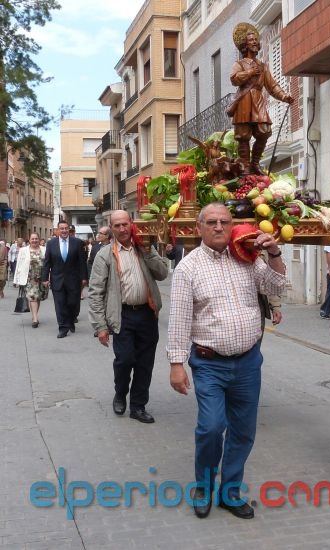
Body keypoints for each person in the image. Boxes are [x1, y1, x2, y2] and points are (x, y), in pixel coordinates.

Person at [168, 203, 286, 520]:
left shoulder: (247, 257)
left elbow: (276, 286)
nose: (219, 227)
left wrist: (273, 252)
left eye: (224, 221)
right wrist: (176, 364)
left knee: (244, 431)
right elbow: (179, 319)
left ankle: (230, 492)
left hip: (248, 363)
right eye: (211, 222)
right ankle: (204, 487)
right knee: (211, 428)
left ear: (232, 225)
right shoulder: (188, 268)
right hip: (209, 364)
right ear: (199, 228)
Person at [88, 210, 169, 423]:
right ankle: (120, 392)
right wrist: (100, 326)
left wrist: (148, 251)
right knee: (124, 360)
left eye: (125, 224)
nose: (122, 229)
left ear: (131, 224)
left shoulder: (145, 248)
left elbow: (162, 274)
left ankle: (138, 406)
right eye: (117, 226)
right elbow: (95, 292)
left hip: (147, 314)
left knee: (145, 363)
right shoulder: (105, 254)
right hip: (122, 315)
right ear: (111, 229)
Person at [229, 23, 293, 174]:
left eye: (256, 40)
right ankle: (245, 165)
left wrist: (284, 96)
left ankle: (255, 163)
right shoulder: (239, 64)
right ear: (245, 45)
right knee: (243, 135)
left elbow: (272, 86)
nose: (255, 42)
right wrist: (250, 72)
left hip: (258, 100)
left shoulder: (263, 66)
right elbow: (234, 79)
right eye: (251, 40)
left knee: (264, 132)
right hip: (244, 101)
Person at [41, 220, 87, 338]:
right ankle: (63, 327)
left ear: (69, 230)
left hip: (74, 279)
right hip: (57, 279)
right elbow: (47, 262)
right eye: (61, 228)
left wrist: (84, 277)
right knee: (60, 304)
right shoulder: (51, 244)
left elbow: (82, 262)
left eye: (66, 228)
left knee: (73, 303)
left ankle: (71, 320)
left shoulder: (77, 243)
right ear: (57, 230)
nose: (64, 230)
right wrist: (45, 278)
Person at [13, 233, 47, 327]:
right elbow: (19, 264)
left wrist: (48, 276)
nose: (34, 240)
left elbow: (48, 263)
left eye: (36, 238)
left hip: (41, 278)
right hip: (29, 278)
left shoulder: (44, 249)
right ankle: (35, 318)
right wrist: (16, 280)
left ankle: (34, 315)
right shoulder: (23, 250)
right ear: (29, 240)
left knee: (38, 297)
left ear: (39, 239)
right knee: (33, 297)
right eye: (32, 239)